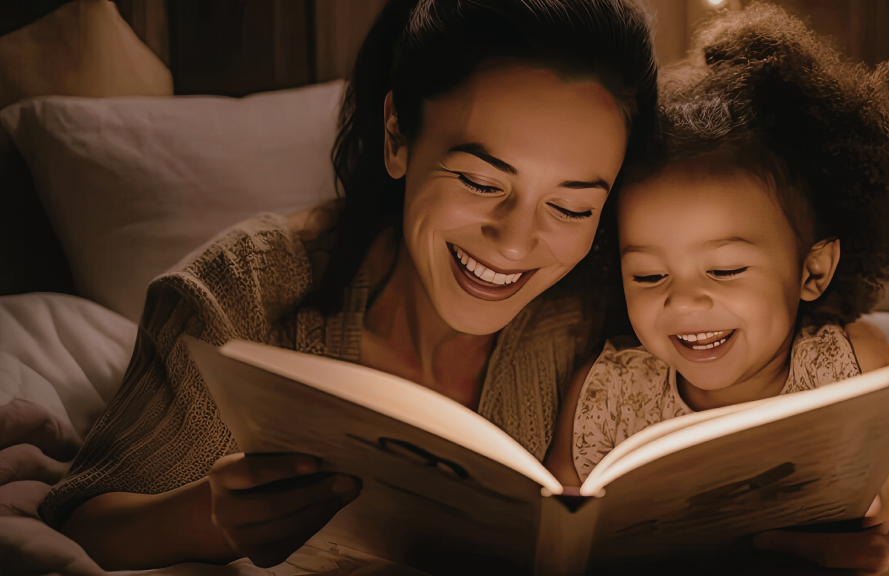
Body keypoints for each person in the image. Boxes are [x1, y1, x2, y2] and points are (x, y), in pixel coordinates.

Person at [38, 0, 658, 569]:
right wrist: (208, 520)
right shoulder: (245, 294)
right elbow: (79, 523)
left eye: (572, 209)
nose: (516, 242)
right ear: (397, 138)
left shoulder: (609, 307)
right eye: (479, 182)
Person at [545, 5, 889, 575]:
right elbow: (555, 538)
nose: (682, 303)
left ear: (813, 271)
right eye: (649, 276)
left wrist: (887, 553)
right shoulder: (605, 393)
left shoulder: (853, 371)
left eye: (725, 270)